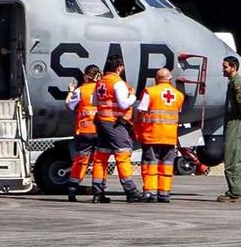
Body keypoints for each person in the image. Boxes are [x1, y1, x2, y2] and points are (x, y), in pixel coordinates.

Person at [90, 56, 144, 204]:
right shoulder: (117, 83)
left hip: (101, 123)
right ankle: (131, 191)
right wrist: (132, 97)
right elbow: (123, 104)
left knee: (101, 157)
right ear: (119, 67)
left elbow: (94, 101)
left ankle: (97, 192)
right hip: (114, 124)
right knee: (123, 154)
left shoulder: (101, 82)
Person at [136, 67, 186, 203]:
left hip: (152, 135)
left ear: (156, 79)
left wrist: (138, 129)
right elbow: (178, 112)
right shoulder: (178, 95)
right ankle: (164, 194)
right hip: (169, 137)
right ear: (170, 79)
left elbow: (140, 111)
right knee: (167, 165)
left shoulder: (150, 92)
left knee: (150, 164)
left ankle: (150, 193)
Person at [64, 65, 102, 203]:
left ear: (86, 76)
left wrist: (70, 92)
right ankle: (98, 193)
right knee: (99, 162)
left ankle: (72, 190)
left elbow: (69, 105)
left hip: (84, 132)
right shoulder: (102, 90)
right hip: (100, 131)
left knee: (80, 161)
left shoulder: (81, 90)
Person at [216, 56, 241, 203]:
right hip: (231, 122)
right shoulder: (233, 83)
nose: (223, 69)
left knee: (232, 156)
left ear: (233, 67)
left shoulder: (238, 84)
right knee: (233, 155)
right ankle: (234, 190)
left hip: (235, 123)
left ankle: (235, 192)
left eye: (225, 67)